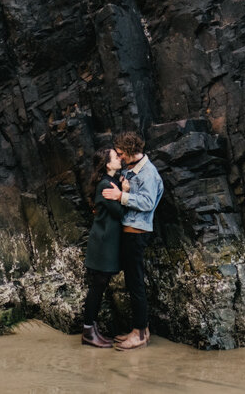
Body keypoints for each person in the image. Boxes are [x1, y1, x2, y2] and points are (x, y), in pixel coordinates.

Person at [101, 131, 163, 351]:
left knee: (135, 283)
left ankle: (140, 334)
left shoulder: (149, 173)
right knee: (132, 281)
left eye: (120, 153)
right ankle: (139, 330)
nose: (119, 156)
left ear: (128, 151)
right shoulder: (132, 170)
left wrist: (121, 197)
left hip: (137, 233)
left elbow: (147, 203)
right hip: (130, 232)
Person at [81, 147, 126, 347]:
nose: (120, 158)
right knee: (97, 287)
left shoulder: (112, 182)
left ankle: (92, 330)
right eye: (116, 157)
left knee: (99, 286)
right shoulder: (105, 185)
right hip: (102, 244)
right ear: (108, 164)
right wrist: (124, 193)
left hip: (106, 242)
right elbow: (118, 212)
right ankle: (88, 332)